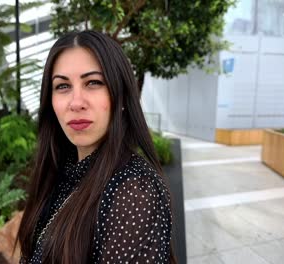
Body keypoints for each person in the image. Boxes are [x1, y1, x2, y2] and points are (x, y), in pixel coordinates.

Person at [17, 31, 173, 263]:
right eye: (62, 86)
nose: (76, 102)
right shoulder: (64, 170)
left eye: (93, 83)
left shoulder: (133, 191)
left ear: (120, 96)